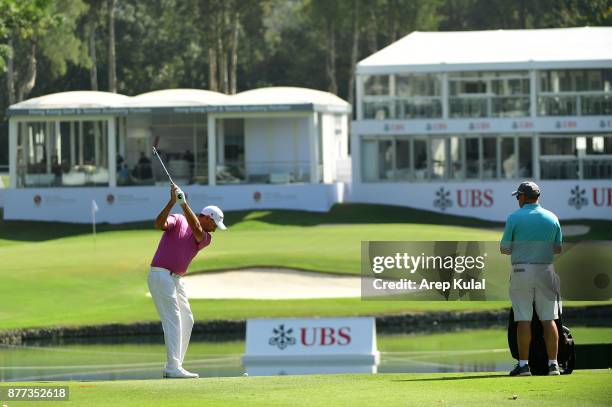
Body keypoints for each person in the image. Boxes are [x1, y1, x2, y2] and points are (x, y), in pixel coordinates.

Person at [148, 183, 227, 379]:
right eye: (215, 224)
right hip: (160, 274)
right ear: (208, 218)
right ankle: (173, 367)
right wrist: (172, 202)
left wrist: (184, 204)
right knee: (173, 319)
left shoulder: (206, 237)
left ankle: (175, 365)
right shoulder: (179, 219)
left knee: (187, 319)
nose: (215, 229)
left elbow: (198, 231)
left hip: (176, 279)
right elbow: (158, 224)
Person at [500, 181, 563, 377]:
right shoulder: (552, 217)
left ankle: (524, 366)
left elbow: (505, 248)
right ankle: (553, 365)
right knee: (549, 319)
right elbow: (558, 248)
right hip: (546, 271)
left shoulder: (514, 218)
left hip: (521, 272)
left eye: (518, 196)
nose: (517, 199)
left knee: (523, 319)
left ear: (524, 197)